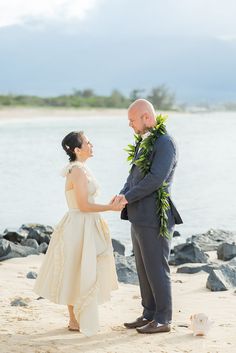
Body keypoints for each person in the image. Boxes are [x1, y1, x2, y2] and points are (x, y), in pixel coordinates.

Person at [34, 131, 121, 337]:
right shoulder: (78, 171)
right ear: (77, 149)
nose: (92, 145)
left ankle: (77, 318)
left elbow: (85, 202)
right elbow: (83, 205)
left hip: (84, 224)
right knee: (76, 270)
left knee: (80, 269)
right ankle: (75, 319)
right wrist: (110, 208)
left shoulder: (80, 168)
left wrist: (108, 206)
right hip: (79, 225)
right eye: (88, 142)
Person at [118, 99, 183, 334]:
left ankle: (163, 319)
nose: (130, 125)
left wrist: (127, 198)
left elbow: (156, 179)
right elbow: (133, 175)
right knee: (143, 268)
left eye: (132, 120)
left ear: (146, 117)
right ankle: (149, 314)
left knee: (157, 268)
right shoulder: (143, 142)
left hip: (156, 215)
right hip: (138, 215)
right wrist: (122, 194)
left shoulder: (166, 143)